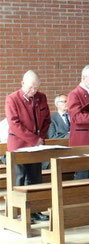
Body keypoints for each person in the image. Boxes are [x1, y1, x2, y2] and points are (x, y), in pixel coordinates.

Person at [5, 70, 51, 222]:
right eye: (31, 87)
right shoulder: (12, 99)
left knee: (35, 179)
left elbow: (47, 120)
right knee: (19, 179)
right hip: (18, 146)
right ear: (22, 83)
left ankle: (35, 210)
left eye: (36, 88)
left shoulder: (41, 97)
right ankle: (18, 213)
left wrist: (40, 138)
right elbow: (14, 124)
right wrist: (34, 139)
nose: (33, 91)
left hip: (36, 146)